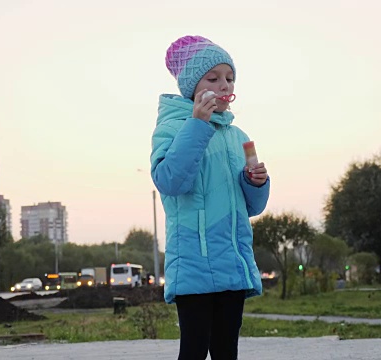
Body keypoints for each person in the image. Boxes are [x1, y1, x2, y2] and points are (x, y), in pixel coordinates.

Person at [150, 35, 270, 360]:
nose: (223, 85)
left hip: (232, 262)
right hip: (193, 264)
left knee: (225, 351)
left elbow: (254, 207)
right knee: (193, 350)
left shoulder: (239, 137)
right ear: (192, 87)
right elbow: (169, 181)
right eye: (212, 78)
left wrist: (256, 182)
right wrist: (198, 125)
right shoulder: (174, 128)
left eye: (229, 78)